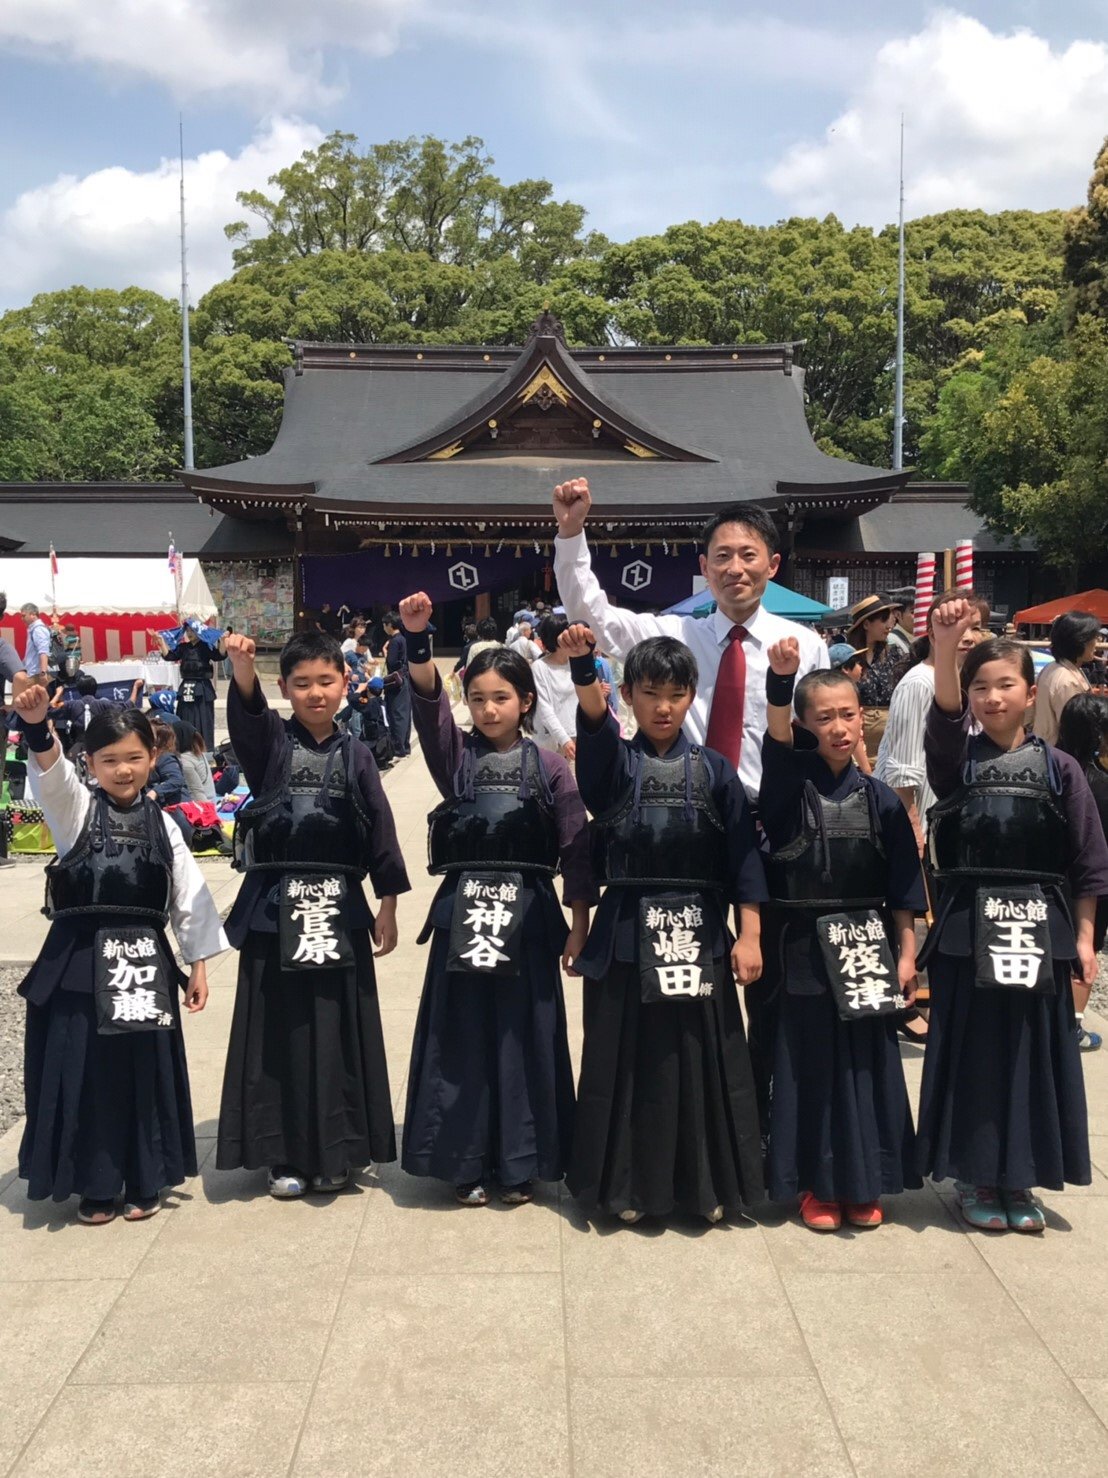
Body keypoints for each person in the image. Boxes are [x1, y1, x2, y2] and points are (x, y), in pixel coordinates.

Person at [562, 626, 766, 1224]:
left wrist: (750, 934)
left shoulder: (716, 771)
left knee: (700, 1061)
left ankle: (704, 1188)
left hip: (697, 935)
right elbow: (594, 731)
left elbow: (743, 859)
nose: (663, 707)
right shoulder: (614, 767)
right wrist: (584, 668)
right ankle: (625, 1190)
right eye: (650, 693)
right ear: (627, 695)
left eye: (676, 694)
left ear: (692, 697)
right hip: (626, 933)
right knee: (624, 1064)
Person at [397, 592, 595, 1206]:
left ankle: (520, 1162)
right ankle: (462, 1159)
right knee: (460, 1036)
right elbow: (429, 712)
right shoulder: (456, 758)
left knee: (521, 1038)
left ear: (526, 701)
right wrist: (419, 640)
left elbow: (576, 848)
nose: (488, 709)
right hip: (464, 917)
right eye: (478, 698)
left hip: (529, 920)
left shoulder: (550, 768)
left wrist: (579, 923)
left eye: (501, 697)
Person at [916, 602, 1108, 1232]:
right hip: (968, 926)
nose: (992, 697)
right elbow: (943, 722)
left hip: (1039, 928)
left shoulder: (1061, 769)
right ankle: (975, 1174)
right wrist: (946, 646)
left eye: (1005, 685)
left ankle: (1019, 1177)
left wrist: (1085, 939)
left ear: (1031, 693)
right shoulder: (956, 763)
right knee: (975, 1054)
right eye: (980, 686)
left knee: (1030, 1054)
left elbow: (1087, 862)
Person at [11, 688, 226, 1224]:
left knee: (142, 1072)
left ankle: (145, 1177)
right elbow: (52, 777)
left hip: (143, 964)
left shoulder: (166, 825)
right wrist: (36, 727)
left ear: (153, 757)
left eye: (133, 757)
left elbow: (188, 895)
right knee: (85, 1072)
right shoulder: (76, 810)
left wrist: (198, 964)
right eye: (109, 760)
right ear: (90, 763)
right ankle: (96, 1184)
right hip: (80, 962)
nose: (123, 770)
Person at [216, 630, 409, 1198]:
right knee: (278, 1032)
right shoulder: (272, 746)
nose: (316, 693)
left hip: (338, 911)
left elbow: (380, 827)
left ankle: (337, 1150)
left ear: (345, 683)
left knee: (335, 1031)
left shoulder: (357, 754)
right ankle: (280, 1155)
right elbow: (249, 723)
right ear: (284, 687)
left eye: (326, 681)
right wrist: (242, 670)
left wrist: (388, 902)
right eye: (302, 684)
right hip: (274, 911)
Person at [758, 644, 925, 1230]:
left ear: (862, 717)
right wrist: (781, 682)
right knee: (809, 1066)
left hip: (866, 947)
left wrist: (907, 956)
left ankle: (865, 1180)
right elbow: (776, 742)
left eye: (848, 715)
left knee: (866, 1066)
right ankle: (816, 1184)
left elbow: (904, 888)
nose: (839, 727)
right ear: (806, 725)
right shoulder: (786, 790)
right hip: (803, 947)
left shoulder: (882, 800)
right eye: (824, 717)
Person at [552, 477, 827, 801]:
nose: (735, 568)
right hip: (688, 810)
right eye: (722, 556)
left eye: (748, 555)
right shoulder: (674, 638)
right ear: (705, 567)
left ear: (773, 565)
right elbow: (594, 618)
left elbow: (822, 737)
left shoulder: (805, 647)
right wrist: (571, 533)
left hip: (770, 815)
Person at [1055, 691, 1108, 1051]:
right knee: (1086, 949)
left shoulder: (1052, 768)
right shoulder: (1099, 781)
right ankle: (1072, 1025)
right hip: (1091, 883)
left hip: (1053, 882)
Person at [148, 618, 225, 752]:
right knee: (185, 716)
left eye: (193, 630)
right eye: (188, 630)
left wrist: (223, 640)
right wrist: (161, 641)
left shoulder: (206, 646)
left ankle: (204, 748)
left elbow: (219, 655)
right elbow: (170, 656)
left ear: (198, 631)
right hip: (186, 687)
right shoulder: (183, 647)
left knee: (203, 717)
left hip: (202, 687)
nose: (189, 633)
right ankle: (184, 746)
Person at [846, 593, 901, 762]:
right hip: (858, 735)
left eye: (890, 620)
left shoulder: (894, 654)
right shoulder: (848, 657)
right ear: (866, 624)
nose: (889, 626)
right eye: (883, 620)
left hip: (891, 734)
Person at [1032, 610, 1101, 744]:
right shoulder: (1067, 681)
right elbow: (1073, 731)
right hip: (1060, 751)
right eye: (1094, 638)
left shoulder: (1052, 668)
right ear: (1080, 642)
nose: (1096, 643)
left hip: (1046, 747)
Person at [531, 613, 579, 758]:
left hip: (579, 734)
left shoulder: (576, 663)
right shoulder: (540, 667)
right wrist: (564, 739)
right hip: (555, 741)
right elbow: (543, 707)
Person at [380, 610, 412, 759]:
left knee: (396, 713)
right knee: (404, 713)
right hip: (405, 678)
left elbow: (392, 662)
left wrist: (385, 652)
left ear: (389, 625)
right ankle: (405, 745)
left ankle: (398, 747)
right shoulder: (404, 639)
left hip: (396, 681)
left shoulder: (394, 641)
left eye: (384, 624)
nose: (384, 627)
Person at [178, 726, 217, 804]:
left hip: (204, 804)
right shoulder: (199, 754)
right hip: (212, 800)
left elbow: (195, 792)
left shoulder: (185, 761)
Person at [21, 603, 51, 680]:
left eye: (24, 616)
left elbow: (43, 652)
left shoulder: (38, 629)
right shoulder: (34, 629)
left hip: (36, 674)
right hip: (32, 673)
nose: (22, 619)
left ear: (33, 614)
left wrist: (43, 672)